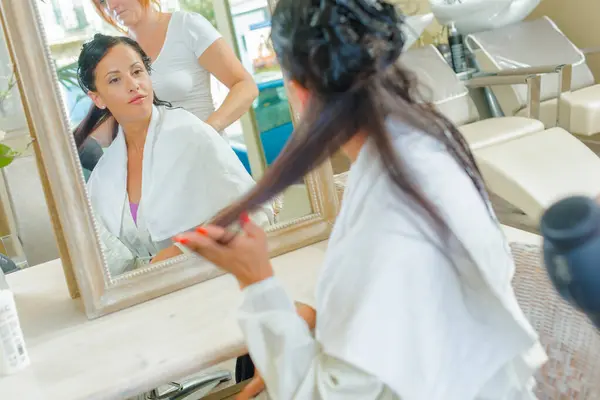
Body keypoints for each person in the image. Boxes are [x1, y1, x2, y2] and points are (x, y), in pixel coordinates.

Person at [174, 0, 548, 398]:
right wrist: (322, 318)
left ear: (299, 90)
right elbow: (414, 305)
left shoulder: (387, 212)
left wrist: (257, 282)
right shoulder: (426, 149)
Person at [74, 33, 272, 273]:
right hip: (149, 296)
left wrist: (182, 250)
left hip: (213, 282)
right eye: (115, 80)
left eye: (137, 72)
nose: (133, 84)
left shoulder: (189, 134)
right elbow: (109, 259)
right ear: (97, 98)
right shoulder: (104, 175)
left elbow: (256, 214)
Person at [89, 0, 258, 144]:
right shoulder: (119, 53)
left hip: (206, 153)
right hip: (162, 168)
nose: (111, 5)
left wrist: (206, 131)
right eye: (103, 1)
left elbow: (245, 86)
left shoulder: (187, 26)